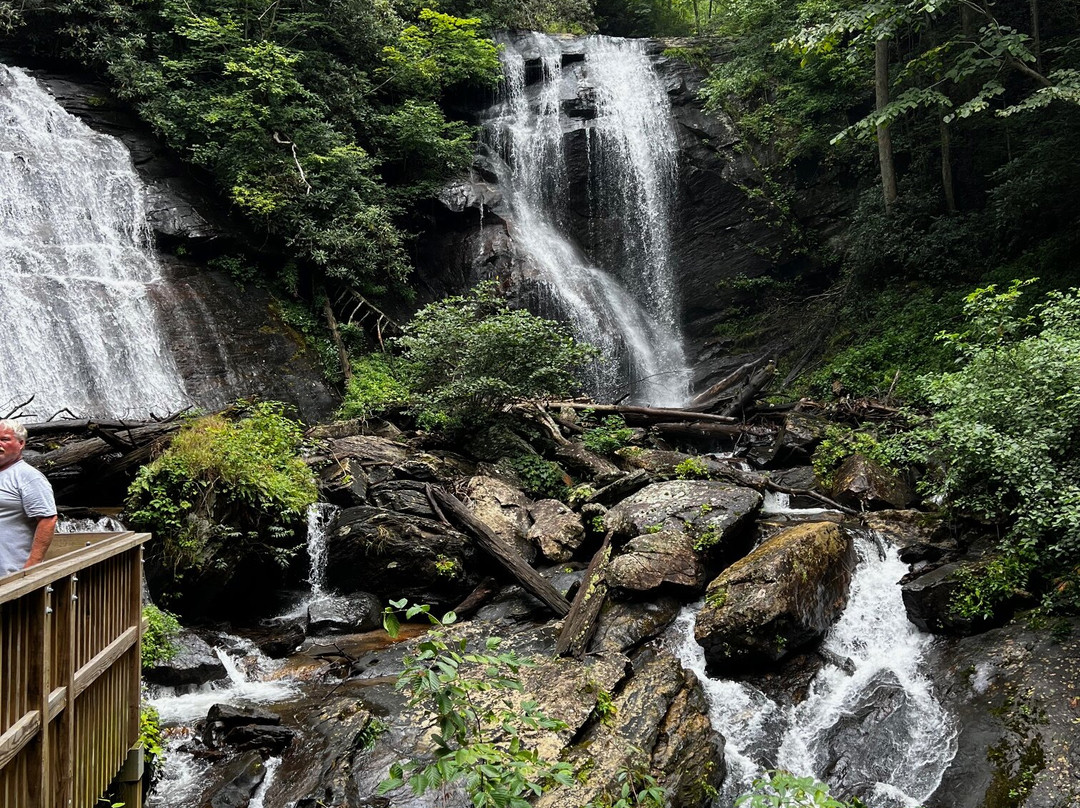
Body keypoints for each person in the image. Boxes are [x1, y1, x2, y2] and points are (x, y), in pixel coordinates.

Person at [0, 419, 56, 577]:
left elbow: (48, 519)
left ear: (21, 443)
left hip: (11, 575)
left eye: (4, 439)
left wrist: (31, 566)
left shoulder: (28, 476)